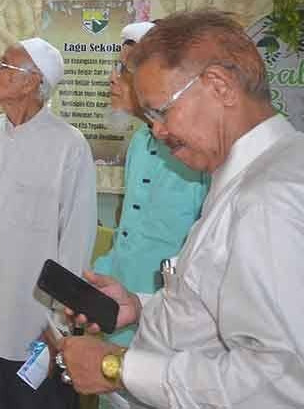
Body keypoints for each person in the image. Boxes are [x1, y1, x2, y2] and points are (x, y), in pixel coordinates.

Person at [59, 10, 304, 408]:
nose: (157, 130)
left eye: (161, 111)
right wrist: (139, 305)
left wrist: (118, 367)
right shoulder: (246, 175)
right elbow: (219, 306)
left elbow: (284, 383)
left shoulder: (268, 201)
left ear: (219, 86)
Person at [0, 38, 95, 409]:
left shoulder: (68, 146)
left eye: (4, 66)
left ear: (31, 81)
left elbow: (76, 238)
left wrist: (59, 318)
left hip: (30, 313)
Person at [93, 21, 209, 409]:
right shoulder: (140, 141)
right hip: (122, 319)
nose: (114, 78)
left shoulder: (201, 152)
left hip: (177, 338)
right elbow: (129, 231)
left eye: (125, 69)